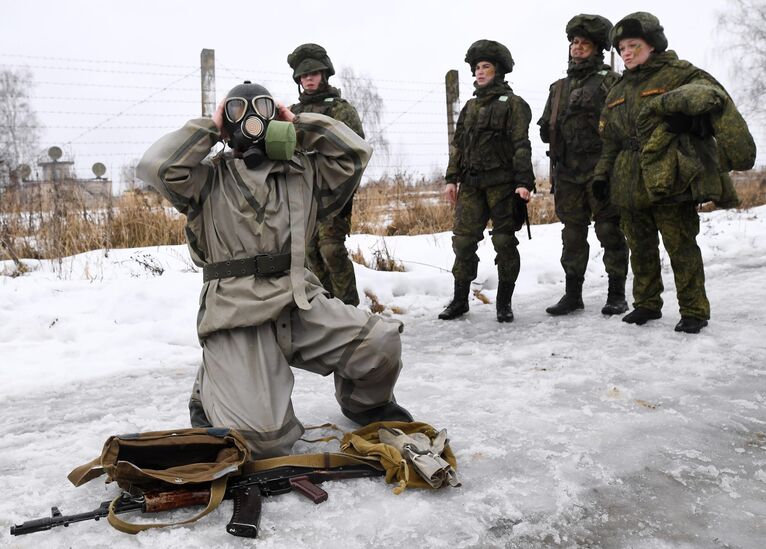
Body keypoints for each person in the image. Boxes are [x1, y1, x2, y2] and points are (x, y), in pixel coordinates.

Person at [136, 81, 412, 456]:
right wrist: (210, 127)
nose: (251, 121)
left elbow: (354, 154)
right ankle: (210, 388)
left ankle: (365, 404)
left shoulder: (304, 172)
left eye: (263, 110)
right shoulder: (206, 179)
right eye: (237, 113)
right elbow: (156, 166)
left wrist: (299, 124)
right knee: (265, 442)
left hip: (298, 299)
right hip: (237, 310)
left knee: (380, 343)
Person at [593, 12, 738, 334]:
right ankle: (646, 304)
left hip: (670, 173)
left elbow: (715, 102)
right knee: (640, 247)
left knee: (681, 245)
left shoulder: (680, 74)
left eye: (633, 45)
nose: (626, 53)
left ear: (652, 44)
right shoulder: (617, 89)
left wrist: (692, 122)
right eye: (621, 48)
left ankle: (694, 310)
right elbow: (609, 140)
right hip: (628, 177)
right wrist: (602, 174)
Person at [539, 14, 630, 317]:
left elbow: (623, 126)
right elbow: (545, 127)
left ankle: (617, 293)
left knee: (608, 230)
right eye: (574, 43)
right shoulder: (559, 87)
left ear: (597, 49)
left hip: (601, 170)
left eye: (584, 44)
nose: (577, 48)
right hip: (567, 172)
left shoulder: (610, 82)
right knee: (572, 234)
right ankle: (572, 294)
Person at [441, 39, 535, 323]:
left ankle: (503, 303)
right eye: (477, 67)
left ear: (499, 71)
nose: (480, 72)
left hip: (503, 185)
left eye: (486, 67)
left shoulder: (514, 105)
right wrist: (451, 178)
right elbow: (458, 145)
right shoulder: (469, 107)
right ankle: (459, 300)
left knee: (505, 241)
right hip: (471, 184)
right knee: (463, 241)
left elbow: (521, 144)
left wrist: (524, 182)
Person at [287, 43, 365, 307]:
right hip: (303, 194)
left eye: (314, 73)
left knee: (331, 249)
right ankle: (328, 309)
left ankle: (350, 310)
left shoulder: (341, 109)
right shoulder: (292, 114)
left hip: (334, 193)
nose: (308, 79)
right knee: (310, 253)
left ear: (325, 74)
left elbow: (356, 152)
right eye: (303, 75)